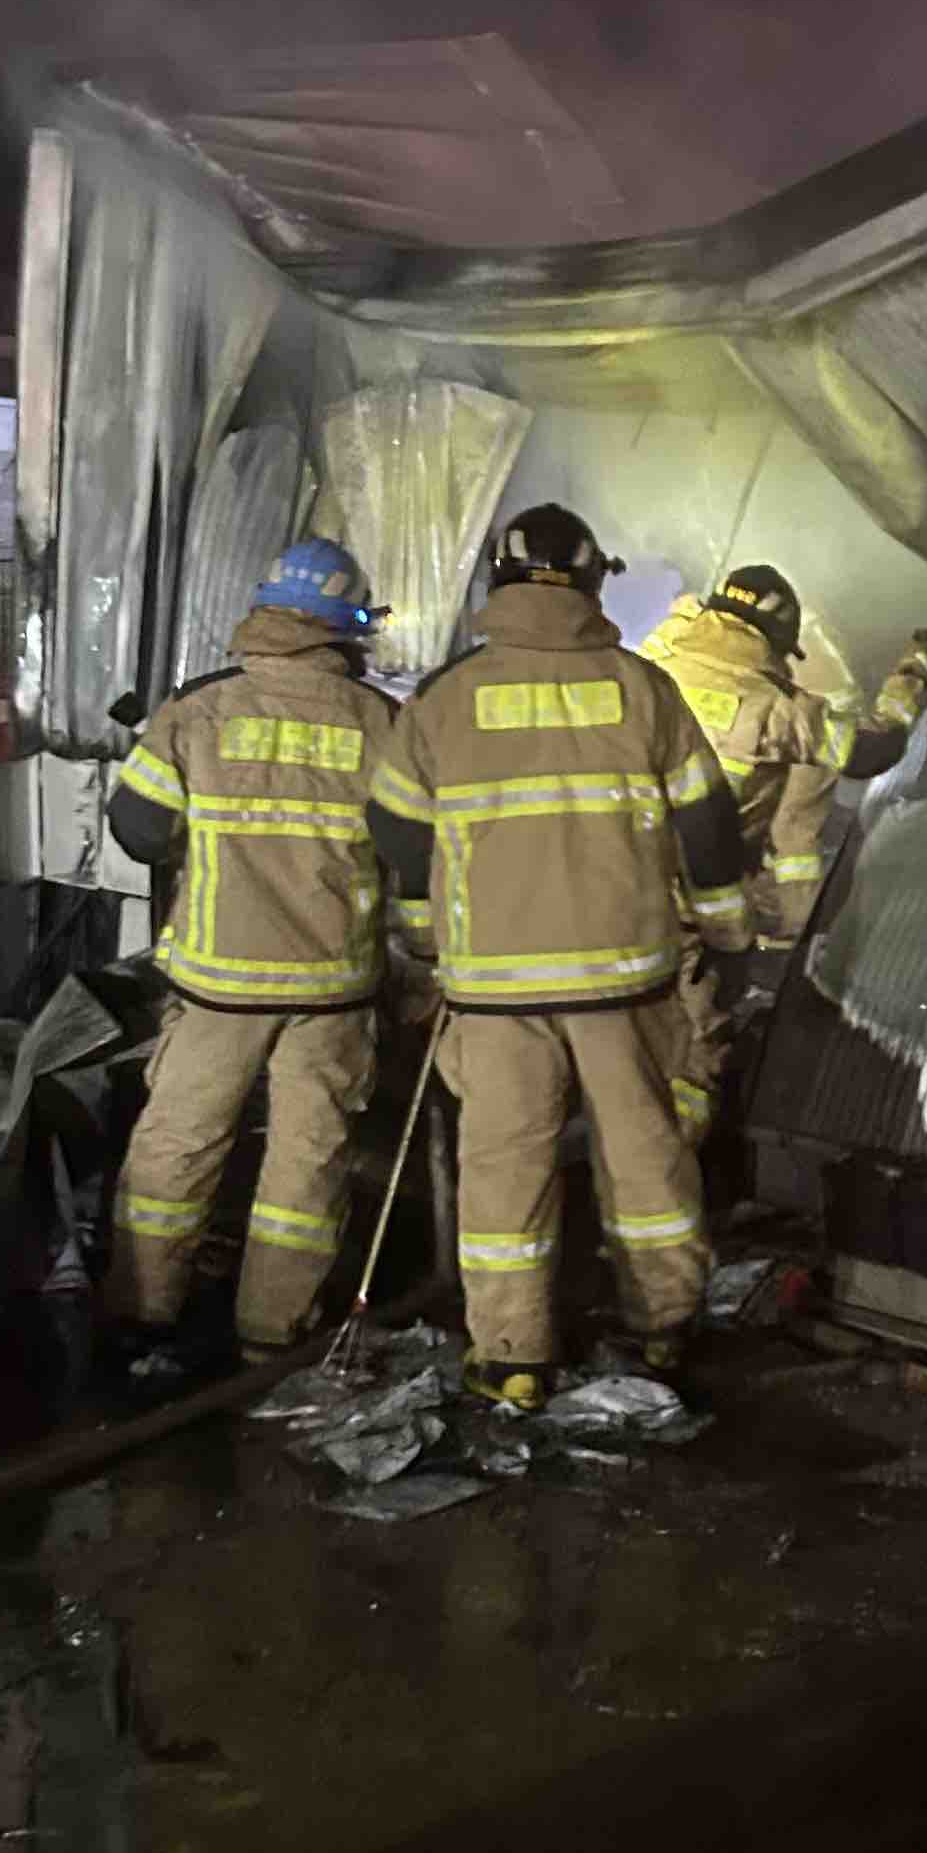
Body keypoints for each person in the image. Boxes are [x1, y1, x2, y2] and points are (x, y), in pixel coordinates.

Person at [375, 501, 753, 1408]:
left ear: (498, 581)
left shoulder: (444, 698)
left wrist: (426, 938)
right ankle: (663, 1327)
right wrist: (727, 934)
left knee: (504, 1170)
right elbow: (708, 826)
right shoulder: (644, 688)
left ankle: (514, 1357)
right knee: (647, 1158)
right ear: (591, 583)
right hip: (626, 982)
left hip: (496, 991)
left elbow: (395, 829)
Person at [100, 535, 402, 1370]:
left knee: (180, 1142)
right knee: (308, 1157)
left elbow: (138, 831)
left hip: (218, 983)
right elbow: (415, 852)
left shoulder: (198, 709)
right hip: (332, 987)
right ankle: (273, 1327)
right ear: (347, 626)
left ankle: (141, 1312)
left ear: (266, 613)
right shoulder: (381, 722)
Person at [638, 563, 927, 1126]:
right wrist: (911, 678)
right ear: (775, 636)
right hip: (693, 905)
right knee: (696, 1049)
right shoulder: (773, 707)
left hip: (606, 878)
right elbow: (872, 751)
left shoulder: (652, 661)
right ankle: (676, 1153)